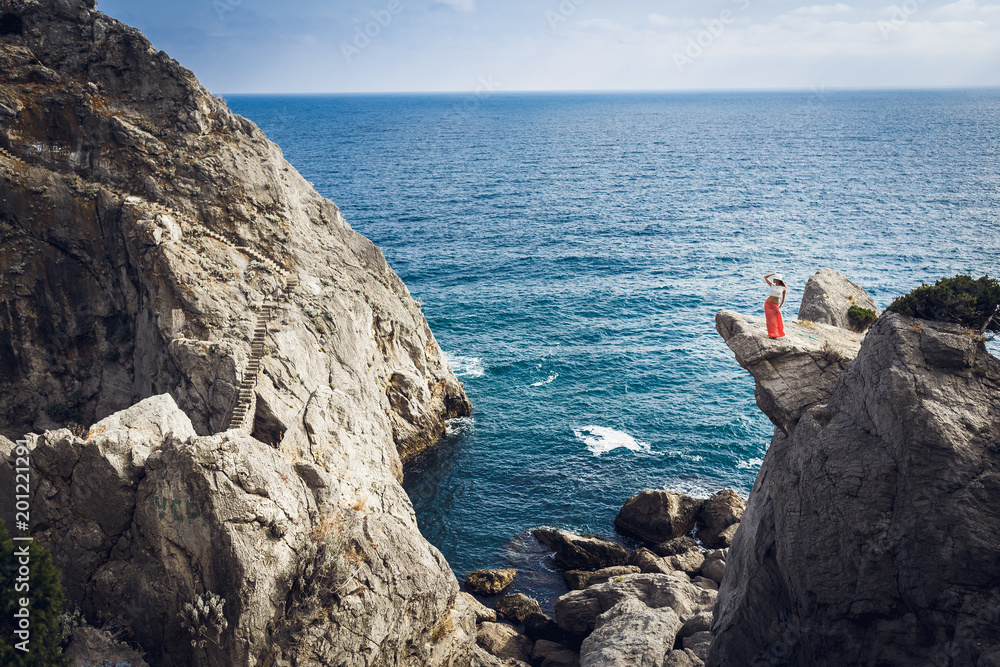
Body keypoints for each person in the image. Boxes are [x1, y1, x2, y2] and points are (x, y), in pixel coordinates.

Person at [764, 272, 787, 339]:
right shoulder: (772, 285)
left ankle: (775, 335)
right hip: (768, 304)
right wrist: (773, 274)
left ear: (778, 280)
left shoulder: (783, 288)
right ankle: (769, 334)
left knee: (775, 320)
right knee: (769, 320)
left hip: (775, 305)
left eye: (775, 279)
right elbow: (765, 277)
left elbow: (783, 299)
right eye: (774, 279)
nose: (773, 280)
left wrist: (779, 307)